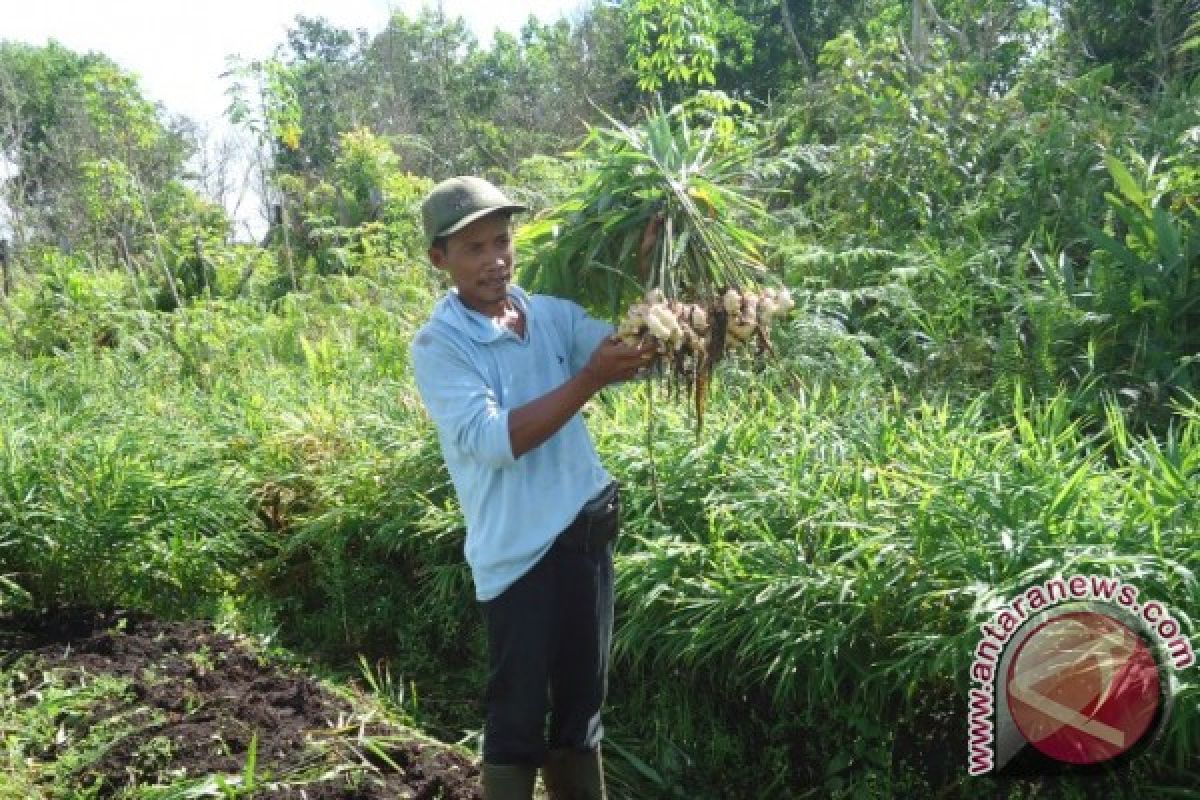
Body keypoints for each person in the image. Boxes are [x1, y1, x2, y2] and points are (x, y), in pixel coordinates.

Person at [409, 176, 653, 800]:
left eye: (501, 241)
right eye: (473, 249)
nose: (495, 260)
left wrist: (659, 313)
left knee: (582, 710)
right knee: (517, 719)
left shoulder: (549, 315)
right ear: (440, 259)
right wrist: (589, 380)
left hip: (584, 529)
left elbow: (618, 354)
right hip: (519, 554)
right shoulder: (441, 346)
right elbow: (495, 440)